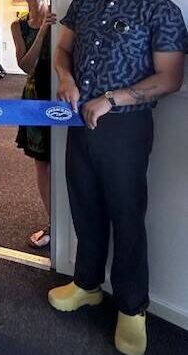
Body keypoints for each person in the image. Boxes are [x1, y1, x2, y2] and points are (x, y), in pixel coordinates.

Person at [48, 1, 187, 354]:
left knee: (127, 216)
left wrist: (112, 99)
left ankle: (132, 307)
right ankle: (87, 285)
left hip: (126, 127)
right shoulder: (83, 3)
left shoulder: (161, 10)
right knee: (83, 206)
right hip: (78, 122)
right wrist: (65, 78)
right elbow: (62, 49)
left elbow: (170, 77)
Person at [10, 0, 55, 249]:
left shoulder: (60, 16)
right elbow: (26, 65)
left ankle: (70, 224)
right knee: (42, 164)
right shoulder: (18, 25)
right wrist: (43, 32)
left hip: (59, 93)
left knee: (66, 161)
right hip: (35, 95)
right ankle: (52, 223)